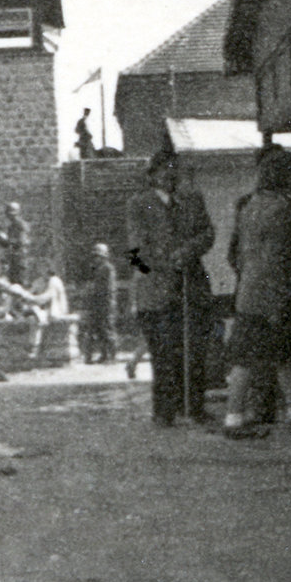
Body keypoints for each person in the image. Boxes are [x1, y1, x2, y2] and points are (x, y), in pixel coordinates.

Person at [222, 145, 291, 438]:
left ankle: (244, 415)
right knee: (285, 350)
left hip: (249, 290)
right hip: (282, 289)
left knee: (252, 353)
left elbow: (234, 254)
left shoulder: (248, 205)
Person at [126, 145, 215, 427]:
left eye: (175, 171)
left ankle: (194, 407)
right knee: (164, 352)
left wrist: (188, 251)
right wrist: (159, 266)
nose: (170, 176)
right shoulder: (139, 204)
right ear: (152, 175)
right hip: (156, 291)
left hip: (191, 285)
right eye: (164, 171)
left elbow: (208, 233)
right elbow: (135, 250)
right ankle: (164, 411)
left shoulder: (192, 200)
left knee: (194, 349)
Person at [82, 242, 120, 364]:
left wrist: (105, 299)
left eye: (98, 256)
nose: (96, 258)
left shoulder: (108, 268)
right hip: (96, 302)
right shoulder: (96, 269)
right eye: (95, 256)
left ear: (104, 256)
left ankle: (112, 355)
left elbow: (109, 288)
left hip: (106, 302)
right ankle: (104, 354)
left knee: (107, 328)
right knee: (99, 329)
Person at [0, 201, 31, 285]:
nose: (9, 216)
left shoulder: (22, 225)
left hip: (20, 258)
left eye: (11, 214)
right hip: (13, 259)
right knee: (13, 282)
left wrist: (6, 239)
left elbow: (21, 242)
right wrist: (0, 240)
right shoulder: (11, 227)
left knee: (20, 282)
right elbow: (8, 245)